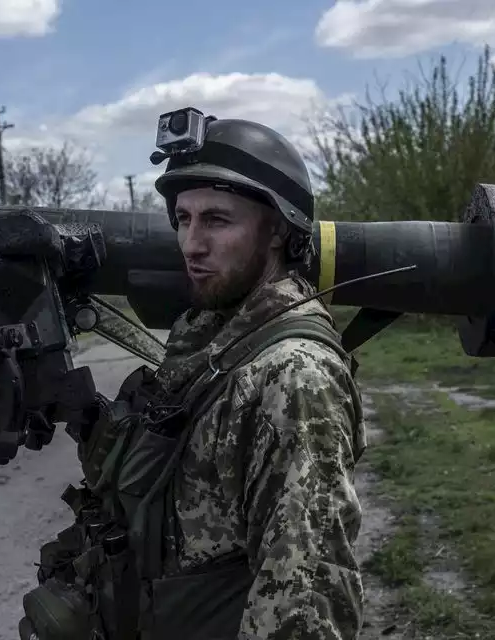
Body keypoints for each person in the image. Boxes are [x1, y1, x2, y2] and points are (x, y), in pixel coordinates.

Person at [19, 116, 366, 640]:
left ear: (277, 230)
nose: (191, 244)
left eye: (217, 221)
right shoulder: (215, 341)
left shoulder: (293, 377)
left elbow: (308, 599)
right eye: (183, 218)